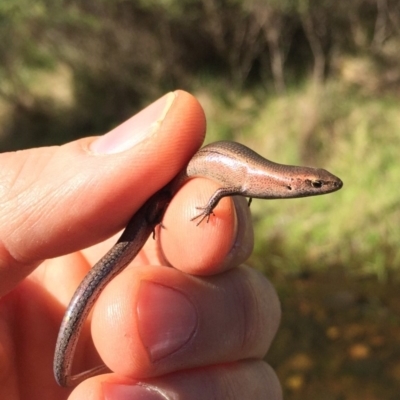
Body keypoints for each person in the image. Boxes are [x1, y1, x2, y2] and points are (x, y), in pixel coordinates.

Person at [0, 90, 282, 399]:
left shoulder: (256, 180)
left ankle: (69, 370)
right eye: (316, 185)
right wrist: (206, 209)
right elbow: (223, 190)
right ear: (294, 183)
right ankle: (66, 369)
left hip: (158, 211)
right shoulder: (249, 180)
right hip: (153, 208)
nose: (322, 188)